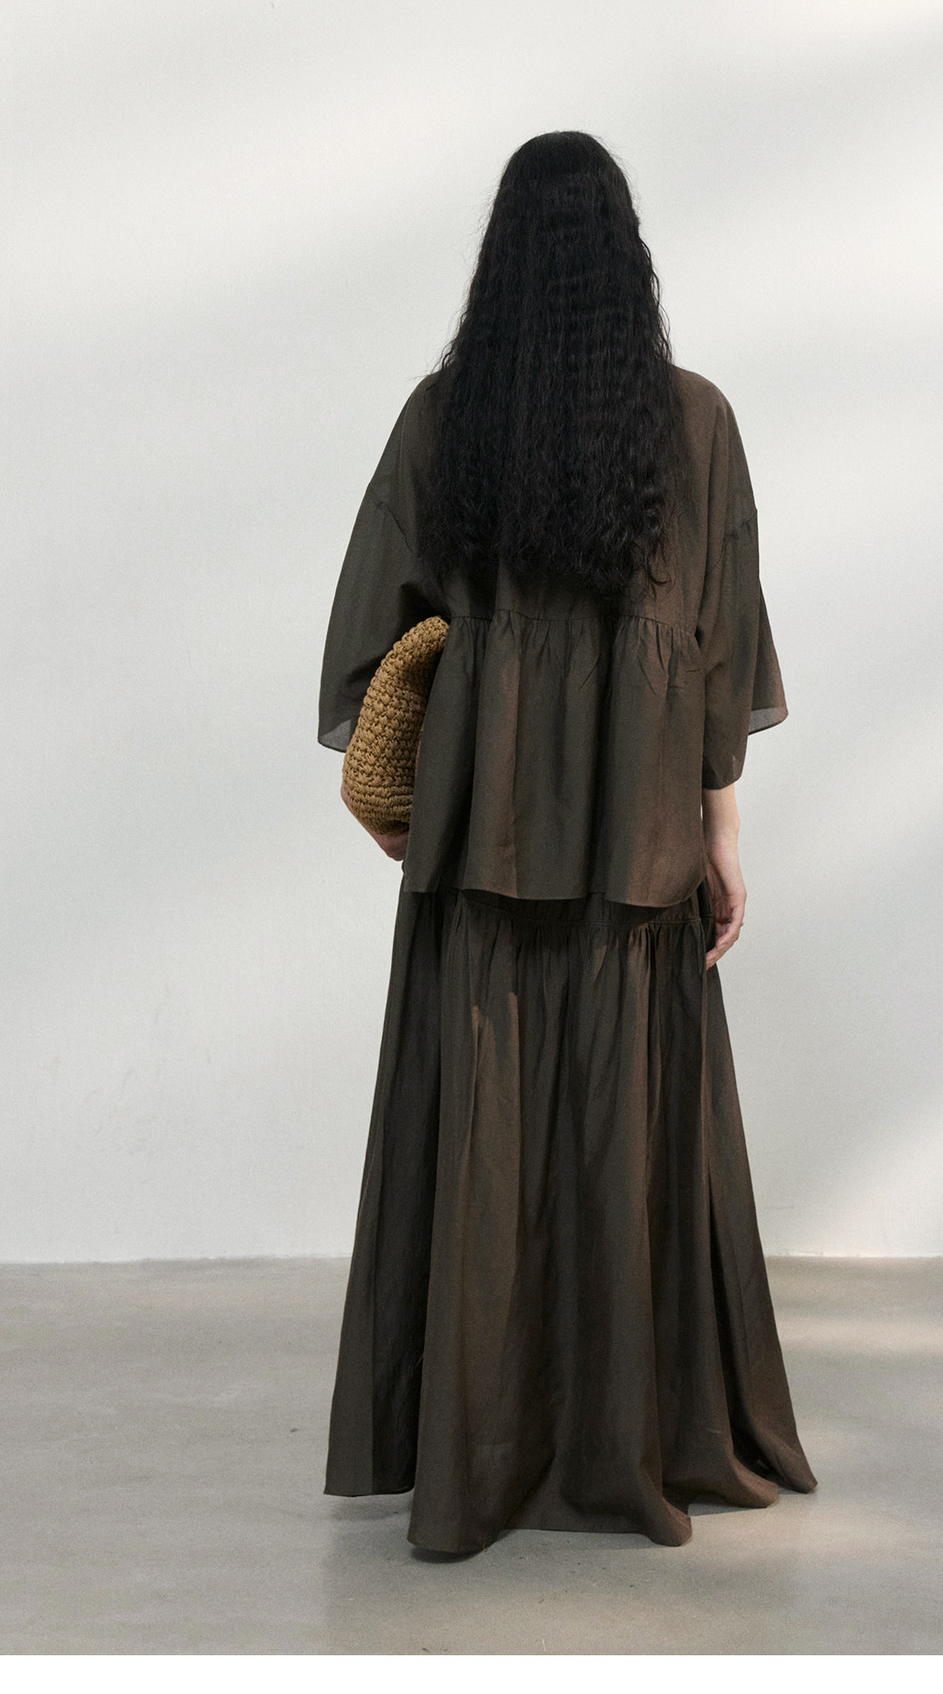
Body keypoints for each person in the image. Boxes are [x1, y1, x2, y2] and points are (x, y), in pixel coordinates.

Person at [317, 131, 817, 1554]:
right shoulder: (694, 424)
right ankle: (631, 1437)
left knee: (487, 1137)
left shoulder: (445, 421)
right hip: (640, 840)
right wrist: (722, 832)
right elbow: (718, 655)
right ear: (625, 266)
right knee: (625, 1128)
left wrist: (413, 806)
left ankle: (479, 1448)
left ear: (501, 265)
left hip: (481, 846)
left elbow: (375, 637)